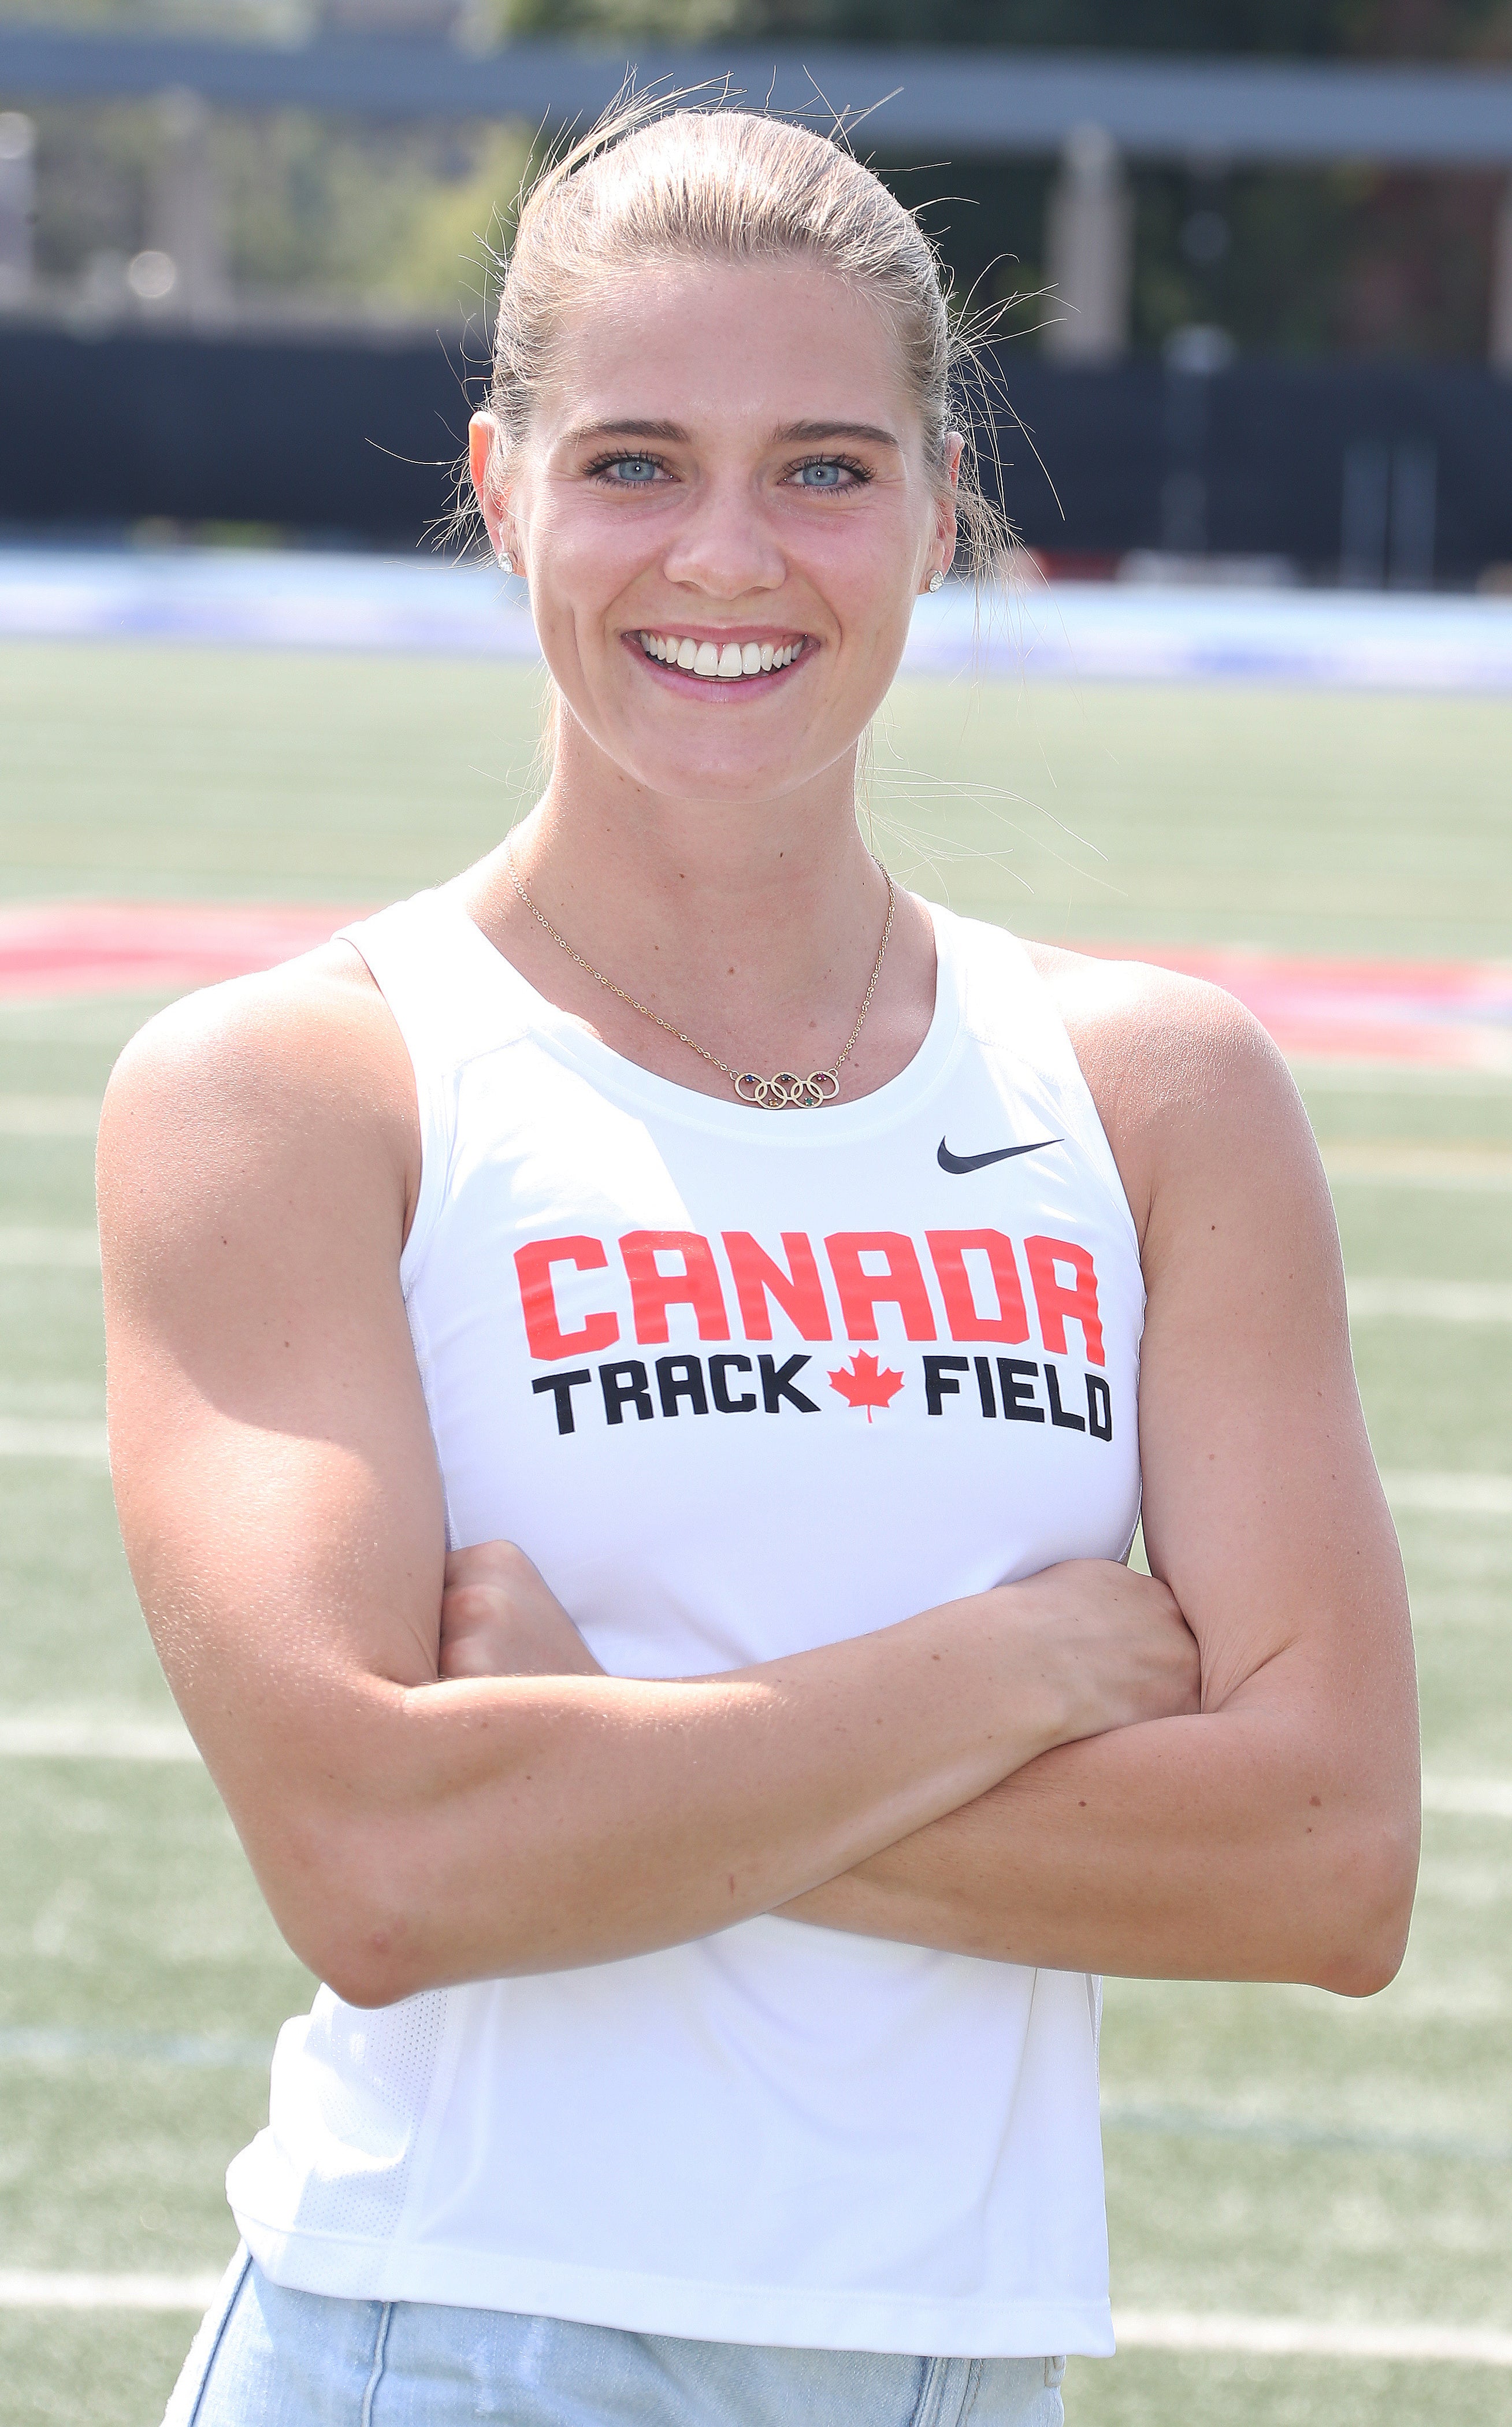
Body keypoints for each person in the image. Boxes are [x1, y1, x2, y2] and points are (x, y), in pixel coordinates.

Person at [99, 103, 1419, 2427]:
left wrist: (604, 1743)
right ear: (502, 488)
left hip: (968, 2368)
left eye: (821, 467)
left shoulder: (1152, 1095)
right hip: (447, 2346)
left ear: (940, 509)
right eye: (634, 462)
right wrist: (1021, 1661)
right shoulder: (299, 1093)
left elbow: (1320, 1866)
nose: (727, 555)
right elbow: (386, 1865)